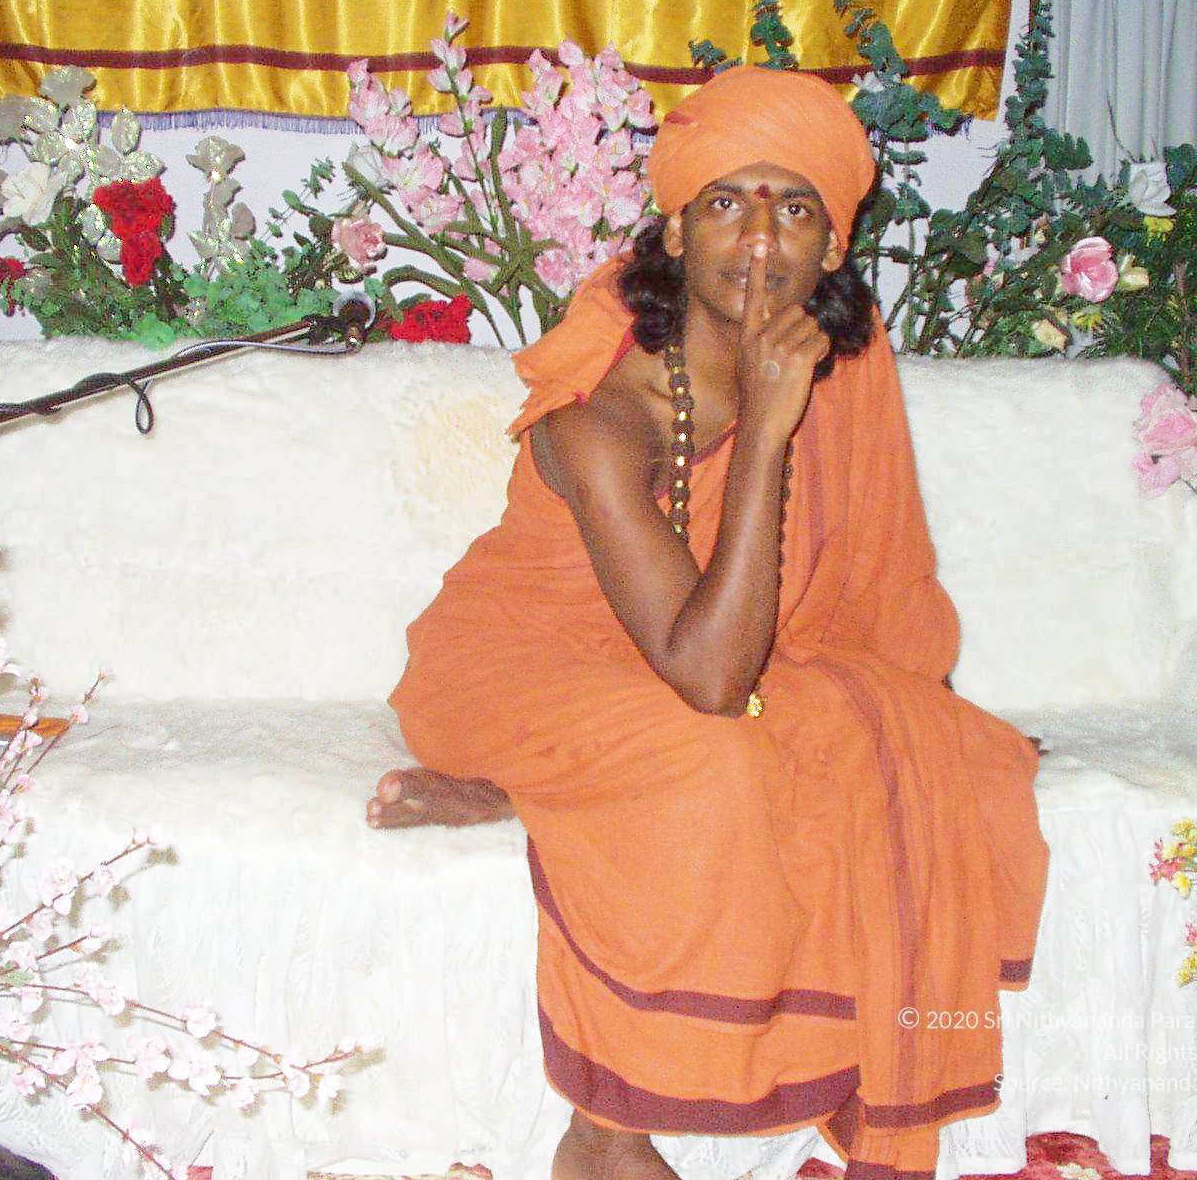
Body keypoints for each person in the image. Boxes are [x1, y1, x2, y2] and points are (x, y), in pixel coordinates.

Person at [375, 66, 1049, 1180]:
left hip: (691, 657)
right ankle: (604, 1131)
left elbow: (869, 591)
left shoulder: (841, 359)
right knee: (719, 758)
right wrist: (770, 431)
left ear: (832, 247)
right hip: (522, 668)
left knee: (923, 751)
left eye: (796, 209)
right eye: (727, 203)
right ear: (677, 232)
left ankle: (534, 797)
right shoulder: (602, 415)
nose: (760, 240)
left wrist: (914, 714)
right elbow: (710, 678)